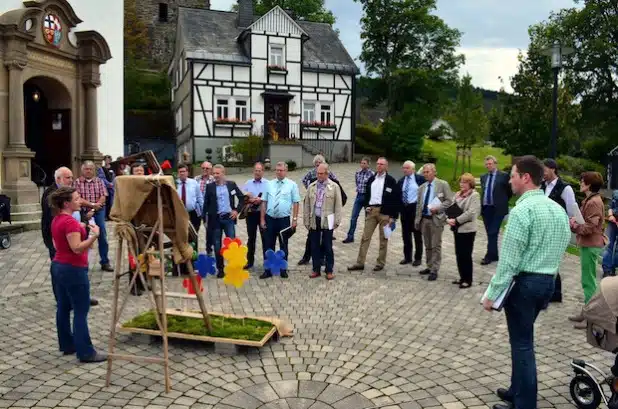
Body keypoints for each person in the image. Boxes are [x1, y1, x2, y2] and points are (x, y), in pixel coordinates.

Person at [481, 156, 571, 409]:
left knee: (522, 345)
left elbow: (508, 262)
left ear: (525, 177)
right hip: (548, 283)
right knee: (522, 339)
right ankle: (516, 390)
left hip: (525, 285)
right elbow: (563, 245)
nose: (509, 180)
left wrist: (492, 294)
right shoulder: (557, 209)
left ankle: (524, 404)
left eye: (512, 175)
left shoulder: (521, 211)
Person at [49, 186, 107, 363]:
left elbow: (58, 245)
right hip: (73, 269)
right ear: (66, 203)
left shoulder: (57, 220)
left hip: (58, 266)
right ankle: (86, 352)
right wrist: (94, 236)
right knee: (81, 310)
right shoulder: (69, 223)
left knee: (64, 307)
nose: (80, 200)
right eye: (76, 198)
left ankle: (68, 344)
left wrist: (81, 227)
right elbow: (76, 248)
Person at [42, 167, 98, 306]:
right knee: (61, 268)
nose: (71, 180)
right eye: (68, 177)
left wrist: (83, 222)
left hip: (76, 232)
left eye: (72, 177)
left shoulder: (71, 192)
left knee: (79, 265)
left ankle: (80, 295)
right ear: (58, 179)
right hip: (60, 238)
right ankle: (62, 299)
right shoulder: (51, 194)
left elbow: (79, 209)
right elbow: (53, 218)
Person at [569, 171, 607, 329]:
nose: (580, 183)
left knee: (589, 282)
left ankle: (591, 317)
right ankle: (586, 312)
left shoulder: (594, 202)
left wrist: (575, 226)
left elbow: (590, 227)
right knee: (587, 280)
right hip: (588, 244)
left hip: (591, 245)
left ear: (589, 184)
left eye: (582, 181)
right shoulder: (591, 200)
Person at [347, 157, 399, 272]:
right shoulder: (371, 179)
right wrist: (367, 206)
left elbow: (395, 199)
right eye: (378, 164)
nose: (379, 166)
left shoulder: (391, 180)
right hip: (372, 212)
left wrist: (393, 217)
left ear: (386, 166)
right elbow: (366, 195)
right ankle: (360, 262)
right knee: (365, 237)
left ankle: (380, 263)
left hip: (385, 213)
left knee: (383, 239)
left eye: (382, 164)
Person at [541, 158, 578, 303]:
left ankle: (555, 292)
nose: (542, 173)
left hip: (557, 229)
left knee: (552, 260)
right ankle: (553, 292)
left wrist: (569, 224)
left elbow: (571, 210)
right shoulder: (542, 186)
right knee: (546, 260)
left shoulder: (565, 188)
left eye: (544, 170)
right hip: (544, 228)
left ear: (552, 169)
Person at [260, 162, 301, 279]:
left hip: (284, 220)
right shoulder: (269, 184)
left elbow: (296, 202)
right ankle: (268, 270)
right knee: (268, 245)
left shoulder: (292, 185)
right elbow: (264, 202)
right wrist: (262, 219)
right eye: (277, 170)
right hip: (270, 218)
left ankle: (283, 269)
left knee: (284, 244)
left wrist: (294, 219)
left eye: (281, 170)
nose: (279, 172)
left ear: (286, 171)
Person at [202, 164, 244, 277]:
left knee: (232, 245)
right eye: (214, 173)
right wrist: (204, 219)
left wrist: (236, 211)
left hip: (229, 219)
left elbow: (242, 198)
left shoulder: (231, 185)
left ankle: (233, 267)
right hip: (215, 220)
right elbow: (206, 204)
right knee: (217, 245)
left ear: (223, 173)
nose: (215, 175)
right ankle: (220, 269)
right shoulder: (210, 186)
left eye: (217, 173)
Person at [414, 164, 454, 282]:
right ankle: (429, 265)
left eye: (428, 172)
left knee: (436, 245)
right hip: (424, 219)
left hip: (436, 219)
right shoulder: (422, 187)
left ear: (434, 172)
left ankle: (435, 269)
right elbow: (418, 205)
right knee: (428, 245)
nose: (425, 174)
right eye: (424, 172)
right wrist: (417, 220)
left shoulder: (442, 184)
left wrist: (438, 208)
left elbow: (449, 201)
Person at [303, 164, 343, 280]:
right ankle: (316, 269)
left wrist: (337, 221)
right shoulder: (312, 186)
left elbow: (338, 205)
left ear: (327, 174)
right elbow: (306, 205)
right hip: (314, 219)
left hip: (328, 219)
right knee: (314, 246)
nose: (319, 176)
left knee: (327, 246)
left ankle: (329, 270)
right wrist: (306, 220)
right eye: (318, 173)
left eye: (321, 173)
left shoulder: (334, 186)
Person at [299, 154, 339, 265]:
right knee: (311, 239)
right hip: (315, 212)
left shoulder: (330, 177)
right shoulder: (312, 174)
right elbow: (304, 180)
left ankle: (323, 259)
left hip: (327, 212)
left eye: (320, 164)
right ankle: (307, 257)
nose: (318, 167)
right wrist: (309, 190)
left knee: (326, 241)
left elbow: (336, 184)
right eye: (316, 164)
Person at [73, 161, 113, 272]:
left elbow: (103, 196)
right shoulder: (77, 182)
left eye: (91, 169)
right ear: (82, 170)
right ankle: (83, 263)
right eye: (86, 169)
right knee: (83, 235)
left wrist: (93, 208)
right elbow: (78, 198)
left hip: (99, 210)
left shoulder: (99, 181)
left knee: (102, 234)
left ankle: (105, 262)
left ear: (94, 170)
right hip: (83, 210)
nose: (88, 171)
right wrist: (91, 206)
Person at [447, 173, 481, 288]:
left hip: (468, 230)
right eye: (461, 181)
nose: (462, 184)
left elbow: (471, 213)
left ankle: (468, 279)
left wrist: (456, 220)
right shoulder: (457, 194)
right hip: (457, 229)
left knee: (466, 255)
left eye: (465, 182)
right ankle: (462, 277)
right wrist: (449, 219)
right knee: (459, 254)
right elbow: (451, 208)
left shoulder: (474, 195)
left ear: (470, 184)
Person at [480, 155, 512, 266]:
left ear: (495, 164)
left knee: (493, 232)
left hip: (498, 209)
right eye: (487, 164)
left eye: (490, 163)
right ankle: (495, 255)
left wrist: (502, 200)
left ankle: (489, 256)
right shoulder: (483, 176)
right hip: (486, 208)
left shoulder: (503, 176)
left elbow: (509, 191)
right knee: (490, 233)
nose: (488, 165)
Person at [397, 160, 425, 266]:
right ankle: (407, 257)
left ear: (413, 169)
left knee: (417, 235)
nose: (405, 170)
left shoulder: (420, 179)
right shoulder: (401, 181)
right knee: (405, 235)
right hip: (404, 210)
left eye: (407, 168)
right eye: (404, 168)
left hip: (415, 209)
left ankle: (418, 258)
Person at [242, 162, 268, 269]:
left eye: (259, 170)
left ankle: (267, 262)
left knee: (265, 238)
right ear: (253, 171)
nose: (257, 172)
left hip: (264, 214)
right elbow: (243, 198)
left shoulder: (268, 183)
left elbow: (270, 197)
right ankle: (249, 261)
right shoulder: (248, 183)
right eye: (256, 170)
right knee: (251, 238)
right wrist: (250, 199)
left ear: (263, 171)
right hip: (251, 214)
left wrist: (261, 199)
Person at [343, 157, 374, 244]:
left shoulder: (372, 174)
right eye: (361, 163)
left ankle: (366, 238)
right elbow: (357, 183)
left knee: (367, 219)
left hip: (368, 198)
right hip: (359, 196)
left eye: (364, 163)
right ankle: (350, 236)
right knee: (353, 217)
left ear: (368, 164)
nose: (362, 164)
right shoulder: (357, 173)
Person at [176, 164, 203, 236]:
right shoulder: (175, 184)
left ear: (187, 172)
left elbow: (199, 197)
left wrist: (203, 212)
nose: (182, 173)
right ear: (178, 173)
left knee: (194, 234)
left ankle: (194, 247)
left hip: (193, 213)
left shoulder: (194, 183)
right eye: (180, 172)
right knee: (182, 235)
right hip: (180, 214)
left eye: (183, 171)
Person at [602, 190, 618, 277]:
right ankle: (607, 270)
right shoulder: (616, 193)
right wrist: (611, 215)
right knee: (609, 246)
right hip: (613, 222)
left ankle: (613, 267)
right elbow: (611, 207)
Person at [97, 155, 115, 220]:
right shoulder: (101, 168)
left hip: (112, 188)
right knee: (106, 201)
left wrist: (112, 183)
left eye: (109, 160)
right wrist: (108, 184)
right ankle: (105, 216)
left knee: (112, 202)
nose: (107, 161)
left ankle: (110, 215)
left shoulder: (113, 168)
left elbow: (114, 177)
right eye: (106, 160)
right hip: (105, 187)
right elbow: (101, 178)